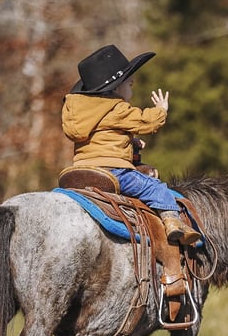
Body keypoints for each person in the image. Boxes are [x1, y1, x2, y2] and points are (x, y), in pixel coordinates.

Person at [61, 44, 200, 245]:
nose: (132, 86)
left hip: (82, 168)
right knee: (155, 188)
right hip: (114, 171)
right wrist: (161, 110)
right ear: (117, 88)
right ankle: (173, 223)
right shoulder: (116, 108)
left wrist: (129, 140)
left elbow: (100, 136)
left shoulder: (82, 112)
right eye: (130, 84)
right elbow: (146, 121)